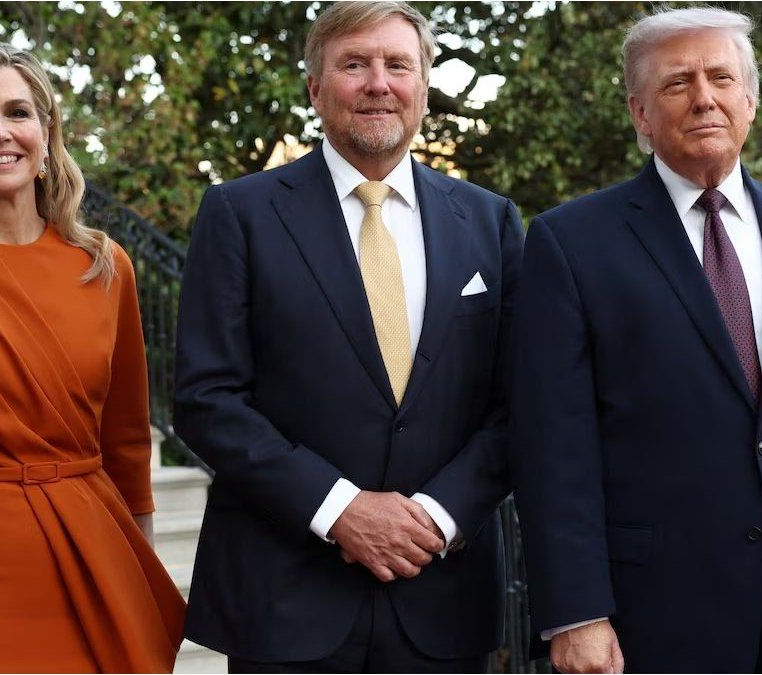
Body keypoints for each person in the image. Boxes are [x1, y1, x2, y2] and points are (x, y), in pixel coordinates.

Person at [510, 7, 762, 673]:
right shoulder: (571, 243)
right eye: (677, 82)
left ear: (749, 100)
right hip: (654, 614)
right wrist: (576, 611)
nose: (704, 97)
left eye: (721, 78)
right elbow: (554, 445)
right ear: (640, 113)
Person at [173, 2, 523, 672]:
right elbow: (206, 398)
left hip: (441, 595)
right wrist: (339, 509)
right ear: (315, 88)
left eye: (398, 65)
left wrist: (438, 515)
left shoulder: (491, 222)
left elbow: (522, 402)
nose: (378, 83)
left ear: (424, 86)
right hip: (286, 595)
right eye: (354, 65)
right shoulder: (239, 214)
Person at [0, 38, 184, 673]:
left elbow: (127, 445)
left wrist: (139, 575)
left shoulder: (105, 265)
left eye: (17, 112)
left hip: (91, 550)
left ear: (47, 134)